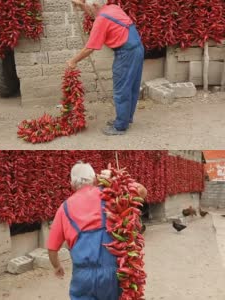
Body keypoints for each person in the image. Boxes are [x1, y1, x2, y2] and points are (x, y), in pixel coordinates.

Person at [46, 162, 147, 300]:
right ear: (95, 179)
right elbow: (142, 192)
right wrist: (115, 178)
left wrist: (57, 266)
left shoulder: (64, 209)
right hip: (114, 274)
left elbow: (52, 248)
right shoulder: (111, 194)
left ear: (71, 184)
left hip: (83, 278)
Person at [68, 0, 145, 136]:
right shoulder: (113, 8)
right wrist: (80, 4)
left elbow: (90, 48)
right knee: (132, 87)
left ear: (95, 6)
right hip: (137, 48)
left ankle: (120, 126)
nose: (86, 13)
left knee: (121, 90)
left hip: (126, 53)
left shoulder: (101, 19)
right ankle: (126, 119)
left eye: (86, 9)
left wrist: (73, 61)